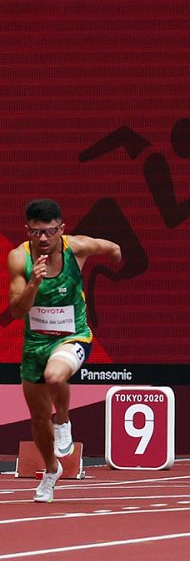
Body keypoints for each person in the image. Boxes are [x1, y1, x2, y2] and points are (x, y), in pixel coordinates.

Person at [7, 200, 122, 503]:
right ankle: (50, 470)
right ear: (27, 231)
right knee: (37, 419)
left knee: (55, 377)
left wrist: (116, 256)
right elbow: (17, 311)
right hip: (36, 344)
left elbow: (111, 247)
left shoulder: (77, 248)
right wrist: (34, 282)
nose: (42, 239)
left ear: (61, 228)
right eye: (35, 232)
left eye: (48, 232)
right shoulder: (19, 258)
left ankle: (65, 421)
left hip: (74, 336)